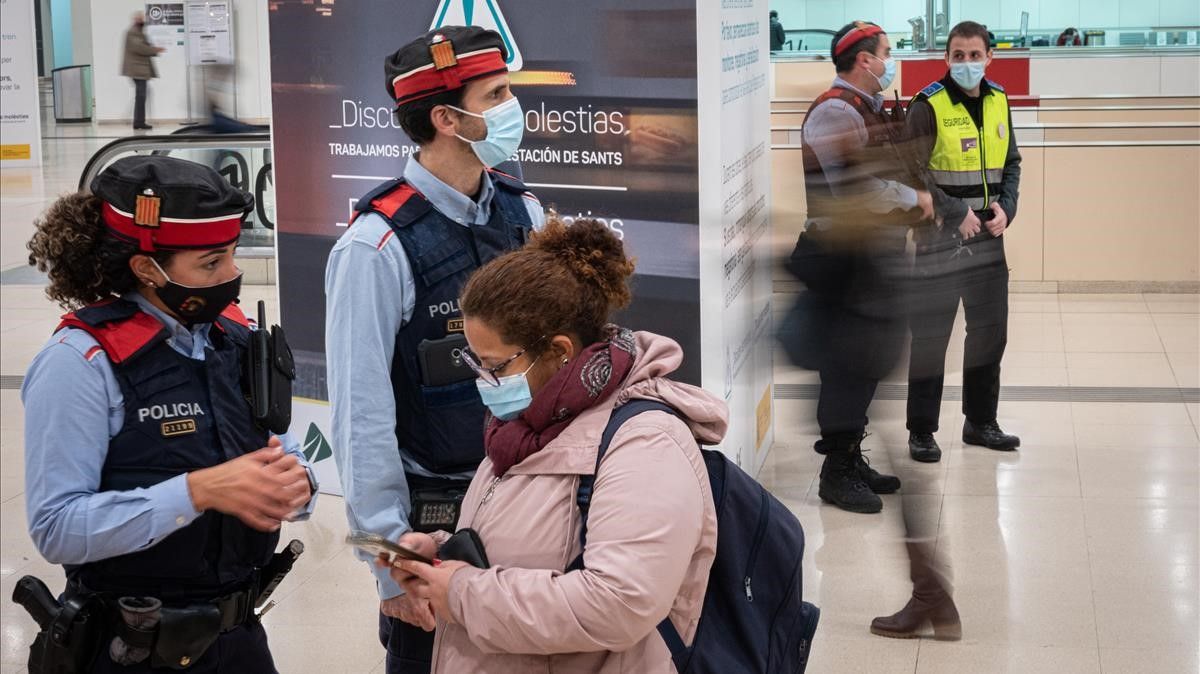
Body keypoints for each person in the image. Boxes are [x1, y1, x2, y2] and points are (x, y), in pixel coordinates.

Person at [383, 218, 723, 673]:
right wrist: (440, 557)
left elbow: (619, 603)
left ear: (560, 351)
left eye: (494, 365)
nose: (484, 381)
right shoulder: (529, 423)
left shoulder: (646, 445)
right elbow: (533, 545)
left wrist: (462, 594)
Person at [21, 155, 317, 673]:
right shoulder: (79, 363)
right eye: (211, 263)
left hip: (240, 639)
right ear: (145, 269)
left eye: (232, 255)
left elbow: (283, 448)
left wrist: (298, 485)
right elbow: (56, 527)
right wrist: (196, 492)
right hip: (131, 647)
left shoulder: (236, 338)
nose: (233, 275)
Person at [324, 25, 544, 674]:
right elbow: (361, 420)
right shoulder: (375, 249)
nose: (513, 107)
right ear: (449, 118)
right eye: (497, 93)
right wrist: (389, 561)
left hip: (527, 500)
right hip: (438, 525)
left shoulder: (522, 215)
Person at [794, 20, 933, 514]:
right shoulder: (835, 111)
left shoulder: (865, 109)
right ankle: (837, 472)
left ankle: (851, 454)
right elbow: (853, 189)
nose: (889, 61)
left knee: (866, 361)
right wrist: (910, 196)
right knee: (846, 367)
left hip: (869, 257)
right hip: (842, 260)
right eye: (886, 53)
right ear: (864, 60)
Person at [904, 20, 1022, 464]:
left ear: (990, 57)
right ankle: (921, 431)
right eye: (959, 55)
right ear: (947, 58)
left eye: (975, 55)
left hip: (989, 240)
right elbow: (910, 174)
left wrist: (1008, 208)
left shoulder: (999, 101)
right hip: (939, 241)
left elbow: (1012, 162)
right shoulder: (927, 105)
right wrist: (958, 214)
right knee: (931, 339)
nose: (967, 63)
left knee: (989, 336)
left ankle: (981, 422)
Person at [122, 12, 165, 131]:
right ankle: (139, 122)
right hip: (137, 70)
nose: (143, 20)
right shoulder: (133, 32)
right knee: (141, 96)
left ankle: (140, 121)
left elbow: (142, 46)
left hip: (140, 69)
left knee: (141, 96)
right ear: (136, 20)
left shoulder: (138, 32)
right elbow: (139, 48)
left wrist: (153, 49)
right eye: (140, 18)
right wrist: (155, 50)